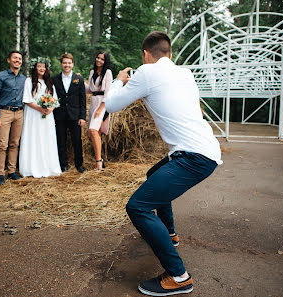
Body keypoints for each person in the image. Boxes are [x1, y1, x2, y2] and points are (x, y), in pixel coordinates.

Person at [106, 31, 222, 296]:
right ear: (169, 53)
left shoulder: (146, 73)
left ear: (146, 55)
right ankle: (169, 234)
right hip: (203, 150)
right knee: (154, 174)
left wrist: (119, 80)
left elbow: (112, 105)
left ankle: (178, 275)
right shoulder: (185, 74)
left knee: (137, 207)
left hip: (193, 157)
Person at [18, 58, 62, 178]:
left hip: (47, 115)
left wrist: (49, 109)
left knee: (46, 138)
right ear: (35, 68)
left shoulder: (49, 82)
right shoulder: (29, 81)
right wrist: (40, 109)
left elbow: (55, 100)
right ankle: (31, 167)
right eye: (39, 66)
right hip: (33, 114)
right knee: (34, 137)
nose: (42, 69)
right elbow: (27, 99)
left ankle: (48, 167)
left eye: (44, 66)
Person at [0, 50, 26, 185]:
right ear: (9, 60)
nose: (18, 60)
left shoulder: (24, 79)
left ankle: (11, 172)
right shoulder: (1, 76)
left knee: (14, 143)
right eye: (15, 58)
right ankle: (0, 173)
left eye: (20, 58)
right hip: (5, 112)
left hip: (19, 113)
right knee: (2, 144)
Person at [52, 53, 87, 173]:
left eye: (69, 63)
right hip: (60, 115)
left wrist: (82, 116)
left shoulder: (79, 79)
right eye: (64, 63)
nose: (67, 65)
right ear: (61, 64)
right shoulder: (54, 79)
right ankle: (63, 164)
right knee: (61, 140)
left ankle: (79, 164)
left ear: (72, 64)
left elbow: (83, 99)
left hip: (75, 115)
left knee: (77, 140)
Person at [86, 51, 113, 170]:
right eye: (98, 58)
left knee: (93, 130)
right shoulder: (92, 72)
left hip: (103, 103)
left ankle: (98, 162)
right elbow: (90, 90)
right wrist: (79, 81)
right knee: (97, 133)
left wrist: (101, 109)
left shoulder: (107, 73)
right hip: (93, 102)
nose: (99, 60)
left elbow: (108, 92)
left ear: (105, 61)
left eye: (102, 59)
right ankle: (100, 160)